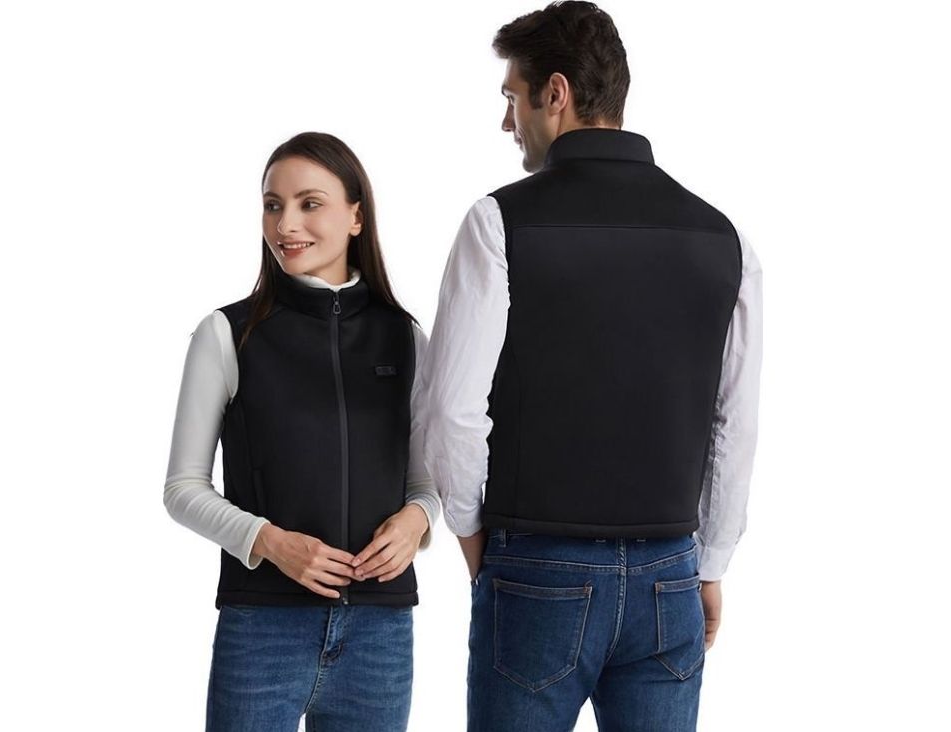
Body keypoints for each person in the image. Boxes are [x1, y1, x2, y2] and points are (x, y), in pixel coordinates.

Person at [421, 2, 763, 730]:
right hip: (671, 574)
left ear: (557, 93)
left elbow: (451, 408)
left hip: (535, 567)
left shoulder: (497, 222)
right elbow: (734, 423)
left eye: (513, 98)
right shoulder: (724, 238)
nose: (508, 122)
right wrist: (709, 564)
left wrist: (475, 540)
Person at [163, 131, 439, 732]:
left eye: (309, 203)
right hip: (263, 627)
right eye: (273, 205)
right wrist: (269, 542)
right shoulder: (227, 333)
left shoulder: (405, 337)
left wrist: (418, 520)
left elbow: (426, 480)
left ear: (356, 216)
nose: (285, 224)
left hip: (380, 633)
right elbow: (182, 489)